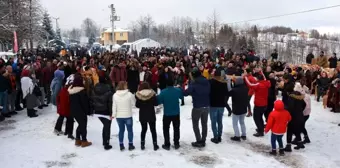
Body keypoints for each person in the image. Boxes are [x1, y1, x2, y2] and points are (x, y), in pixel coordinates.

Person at [184, 67, 210, 147]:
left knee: (195, 123)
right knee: (204, 123)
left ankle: (199, 140)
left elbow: (186, 92)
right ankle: (203, 140)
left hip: (197, 106)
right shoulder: (207, 81)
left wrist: (180, 90)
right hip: (206, 106)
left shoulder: (194, 83)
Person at [157, 79, 183, 150]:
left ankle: (167, 144)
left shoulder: (163, 92)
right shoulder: (177, 90)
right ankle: (176, 143)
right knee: (176, 128)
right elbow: (182, 96)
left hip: (167, 113)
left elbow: (158, 101)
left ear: (166, 84)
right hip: (176, 113)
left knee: (166, 129)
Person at [245, 69, 271, 137]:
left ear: (258, 79)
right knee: (260, 117)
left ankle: (260, 131)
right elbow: (264, 78)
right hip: (264, 104)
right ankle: (261, 128)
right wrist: (261, 72)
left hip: (259, 104)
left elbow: (250, 84)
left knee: (256, 118)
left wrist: (245, 77)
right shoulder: (266, 83)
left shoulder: (258, 85)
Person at [68, 73, 92, 148]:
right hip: (81, 111)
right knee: (83, 125)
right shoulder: (81, 91)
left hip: (73, 111)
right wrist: (88, 111)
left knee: (80, 124)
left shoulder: (71, 91)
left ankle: (78, 139)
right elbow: (84, 103)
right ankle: (84, 141)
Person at [112, 81, 135, 151]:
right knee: (130, 130)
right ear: (125, 86)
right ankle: (130, 145)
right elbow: (133, 104)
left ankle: (121, 145)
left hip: (119, 116)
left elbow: (114, 106)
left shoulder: (115, 95)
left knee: (121, 130)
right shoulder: (130, 94)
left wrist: (113, 114)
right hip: (128, 115)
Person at [135, 82, 159, 151]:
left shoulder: (139, 95)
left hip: (142, 115)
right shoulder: (152, 94)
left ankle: (142, 144)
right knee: (153, 130)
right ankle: (155, 145)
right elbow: (156, 103)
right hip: (151, 114)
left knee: (143, 130)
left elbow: (137, 105)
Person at [92, 76, 114, 150]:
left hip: (97, 110)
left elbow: (92, 98)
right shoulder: (108, 89)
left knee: (105, 126)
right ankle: (106, 143)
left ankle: (105, 141)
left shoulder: (95, 88)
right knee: (107, 126)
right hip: (106, 111)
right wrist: (111, 113)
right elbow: (110, 103)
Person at [284, 83, 306, 151]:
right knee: (296, 129)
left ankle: (288, 146)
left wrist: (285, 109)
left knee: (290, 130)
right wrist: (300, 110)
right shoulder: (300, 96)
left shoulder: (291, 96)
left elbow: (290, 107)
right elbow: (304, 104)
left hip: (293, 117)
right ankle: (300, 143)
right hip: (300, 116)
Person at [207, 69, 227, 144]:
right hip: (221, 104)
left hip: (213, 104)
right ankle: (219, 136)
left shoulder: (211, 82)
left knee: (213, 121)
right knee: (220, 121)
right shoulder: (224, 83)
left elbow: (208, 92)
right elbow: (226, 92)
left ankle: (215, 136)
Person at [54, 75, 74, 139]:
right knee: (68, 118)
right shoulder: (68, 90)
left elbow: (58, 98)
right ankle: (62, 130)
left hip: (62, 107)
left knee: (62, 117)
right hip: (65, 108)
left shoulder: (63, 89)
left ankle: (59, 130)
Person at [229, 77, 249, 141]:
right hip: (243, 108)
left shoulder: (235, 90)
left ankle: (237, 136)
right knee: (242, 122)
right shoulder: (246, 88)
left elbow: (229, 92)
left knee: (235, 123)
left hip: (236, 109)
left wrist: (229, 82)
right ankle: (244, 134)